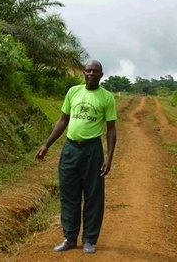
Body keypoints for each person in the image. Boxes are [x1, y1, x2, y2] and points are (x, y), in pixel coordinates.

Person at [35, 60, 117, 254]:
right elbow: (63, 121)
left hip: (92, 151)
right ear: (83, 73)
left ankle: (89, 239)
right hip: (70, 149)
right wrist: (47, 145)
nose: (90, 73)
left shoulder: (106, 98)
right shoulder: (73, 92)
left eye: (95, 71)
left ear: (101, 75)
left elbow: (111, 129)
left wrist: (109, 157)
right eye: (88, 70)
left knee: (93, 196)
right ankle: (70, 238)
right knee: (69, 195)